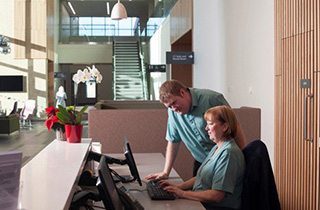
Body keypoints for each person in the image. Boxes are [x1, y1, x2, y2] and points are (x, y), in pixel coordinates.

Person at [145, 80, 246, 180]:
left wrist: (244, 159)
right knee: (196, 192)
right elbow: (173, 141)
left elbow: (234, 126)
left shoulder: (211, 99)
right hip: (202, 162)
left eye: (174, 103)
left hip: (224, 161)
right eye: (170, 107)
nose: (174, 109)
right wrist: (166, 172)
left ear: (182, 93)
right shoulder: (173, 113)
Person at [159, 105, 245, 210]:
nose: (206, 128)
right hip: (202, 203)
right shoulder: (216, 148)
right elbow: (202, 177)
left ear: (225, 126)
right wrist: (178, 187)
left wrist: (183, 194)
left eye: (210, 124)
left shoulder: (228, 154)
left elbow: (217, 195)